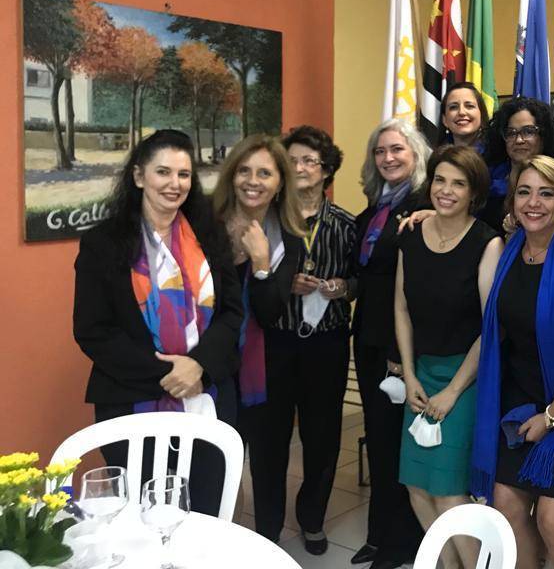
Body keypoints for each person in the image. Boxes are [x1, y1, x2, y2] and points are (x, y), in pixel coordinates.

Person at [73, 129, 243, 516]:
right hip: (130, 399)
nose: (174, 184)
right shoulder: (103, 243)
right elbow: (93, 330)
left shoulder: (210, 234)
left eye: (183, 174)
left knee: (204, 512)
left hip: (207, 393)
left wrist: (198, 366)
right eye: (163, 172)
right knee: (142, 517)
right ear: (138, 176)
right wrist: (170, 373)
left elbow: (232, 311)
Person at [471, 156, 554, 569]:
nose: (533, 203)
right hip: (519, 399)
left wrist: (551, 416)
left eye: (546, 193)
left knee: (553, 520)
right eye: (524, 192)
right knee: (506, 507)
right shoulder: (509, 250)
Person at [395, 145, 503, 569]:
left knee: (449, 493)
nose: (446, 190)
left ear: (474, 192)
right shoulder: (410, 234)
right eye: (440, 180)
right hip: (421, 374)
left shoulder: (486, 242)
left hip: (465, 378)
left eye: (458, 183)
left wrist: (454, 391)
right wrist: (409, 375)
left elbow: (489, 327)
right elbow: (401, 308)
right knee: (416, 486)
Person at [212, 134, 308, 543]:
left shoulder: (289, 238)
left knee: (269, 463)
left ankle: (268, 541)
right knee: (216, 462)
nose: (253, 181)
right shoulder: (204, 225)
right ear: (231, 176)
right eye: (245, 171)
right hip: (211, 365)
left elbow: (270, 312)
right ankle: (215, 543)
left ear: (280, 183)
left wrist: (262, 261)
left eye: (265, 173)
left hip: (267, 370)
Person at [270, 125, 358, 554]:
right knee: (270, 437)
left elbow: (363, 279)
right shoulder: (266, 218)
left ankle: (312, 519)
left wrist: (343, 287)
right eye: (292, 160)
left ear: (327, 171)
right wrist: (283, 285)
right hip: (275, 342)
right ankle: (268, 522)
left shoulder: (346, 224)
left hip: (327, 344)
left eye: (310, 160)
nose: (300, 167)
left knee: (322, 437)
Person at [351, 118, 433, 569]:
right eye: (380, 151)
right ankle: (378, 535)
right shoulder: (374, 209)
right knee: (379, 439)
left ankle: (403, 544)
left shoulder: (424, 208)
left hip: (400, 346)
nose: (388, 158)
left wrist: (403, 356)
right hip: (367, 338)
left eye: (397, 149)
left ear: (415, 154)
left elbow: (419, 288)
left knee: (402, 446)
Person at [480, 96, 554, 233]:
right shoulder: (488, 181)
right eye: (511, 133)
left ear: (544, 135)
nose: (519, 140)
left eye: (528, 131)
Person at [441, 81, 488, 151]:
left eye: (469, 106)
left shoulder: (497, 154)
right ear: (444, 119)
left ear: (481, 114)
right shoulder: (437, 155)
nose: (461, 112)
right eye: (453, 107)